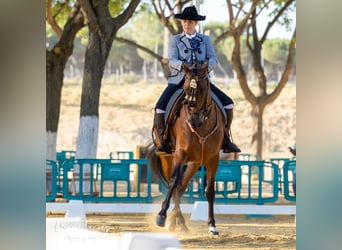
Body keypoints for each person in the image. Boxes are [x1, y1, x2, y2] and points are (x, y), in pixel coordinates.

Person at [153, 5, 241, 155]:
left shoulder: (205, 39)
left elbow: (213, 59)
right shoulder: (175, 40)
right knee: (160, 107)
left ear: (196, 24)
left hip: (202, 81)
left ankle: (226, 139)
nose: (187, 24)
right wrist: (185, 67)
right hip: (180, 80)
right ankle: (164, 141)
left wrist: (204, 69)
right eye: (185, 21)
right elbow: (171, 59)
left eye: (191, 22)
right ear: (182, 23)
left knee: (228, 103)